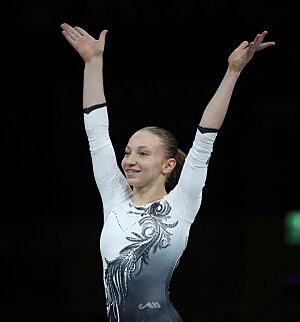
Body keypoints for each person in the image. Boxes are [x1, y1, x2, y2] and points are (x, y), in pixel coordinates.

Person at [60, 22, 275, 322]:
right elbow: (96, 133)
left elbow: (205, 136)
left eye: (143, 153)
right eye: (127, 152)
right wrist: (93, 62)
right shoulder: (115, 199)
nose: (129, 160)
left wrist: (233, 72)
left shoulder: (182, 203)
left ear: (168, 165)